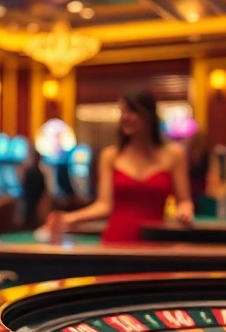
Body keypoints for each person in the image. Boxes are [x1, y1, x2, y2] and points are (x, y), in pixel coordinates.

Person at [45, 91, 193, 243]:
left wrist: (185, 210)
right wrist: (68, 218)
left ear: (149, 115)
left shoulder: (174, 154)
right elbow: (104, 205)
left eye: (132, 111)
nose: (125, 117)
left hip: (155, 240)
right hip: (116, 240)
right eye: (122, 112)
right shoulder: (110, 155)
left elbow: (184, 200)